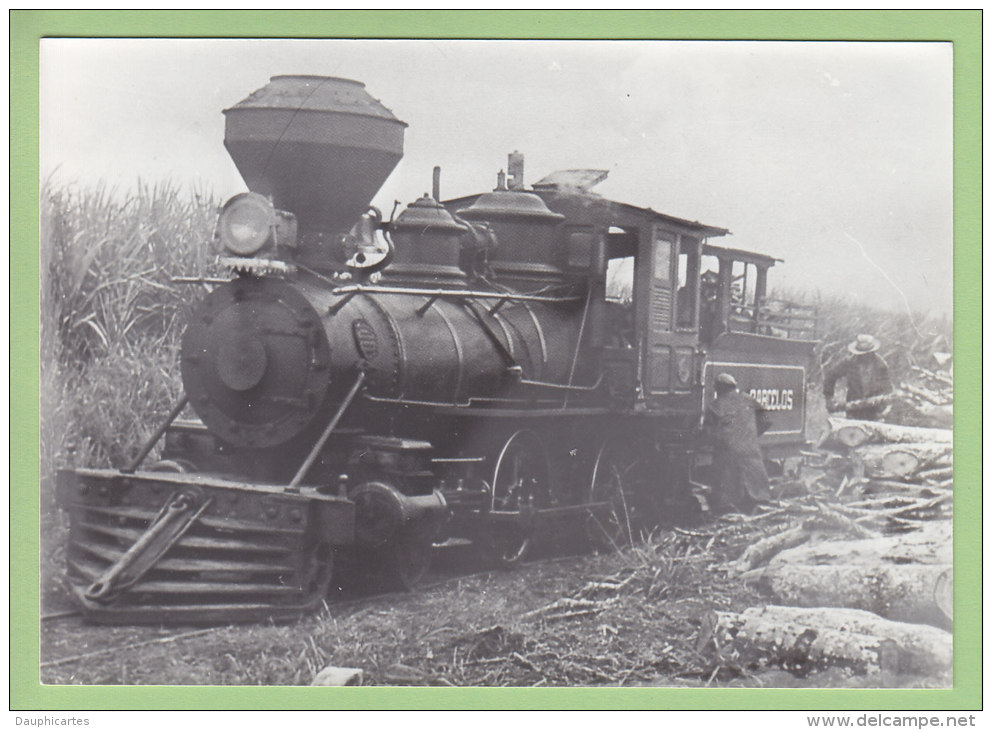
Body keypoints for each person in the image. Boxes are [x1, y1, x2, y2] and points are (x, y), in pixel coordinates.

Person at [703, 373, 772, 514]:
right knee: (756, 496)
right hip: (750, 453)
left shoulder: (714, 406)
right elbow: (766, 421)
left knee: (726, 502)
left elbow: (709, 435)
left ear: (719, 389)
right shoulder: (749, 401)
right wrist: (750, 435)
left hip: (727, 457)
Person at [823, 334, 893, 421]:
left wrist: (885, 410)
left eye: (867, 354)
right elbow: (831, 375)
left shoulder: (881, 365)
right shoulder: (849, 363)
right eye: (862, 354)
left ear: (872, 352)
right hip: (853, 409)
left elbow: (888, 389)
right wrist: (829, 397)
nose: (864, 357)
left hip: (874, 410)